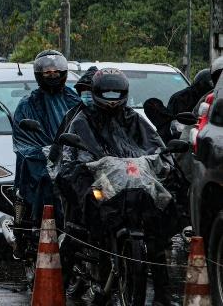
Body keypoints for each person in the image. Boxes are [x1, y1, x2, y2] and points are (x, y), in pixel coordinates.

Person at [53, 69, 174, 305]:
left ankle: (163, 294)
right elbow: (70, 157)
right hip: (100, 182)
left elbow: (155, 146)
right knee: (76, 230)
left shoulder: (134, 119)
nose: (112, 99)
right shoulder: (81, 120)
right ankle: (57, 284)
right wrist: (82, 169)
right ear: (96, 93)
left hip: (133, 182)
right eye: (107, 93)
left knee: (158, 231)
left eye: (116, 94)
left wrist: (164, 159)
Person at [11, 49, 81, 254]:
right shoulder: (28, 104)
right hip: (41, 159)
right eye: (47, 71)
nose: (52, 74)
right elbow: (24, 140)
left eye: (56, 70)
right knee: (45, 181)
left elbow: (84, 128)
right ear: (38, 74)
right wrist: (45, 153)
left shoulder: (74, 100)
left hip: (70, 158)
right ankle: (35, 227)